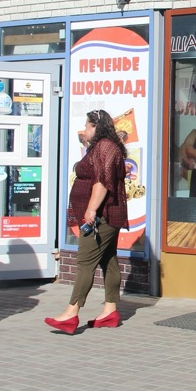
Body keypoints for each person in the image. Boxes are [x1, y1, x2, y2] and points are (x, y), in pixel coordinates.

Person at [44, 109, 128, 334]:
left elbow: (102, 182)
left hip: (103, 214)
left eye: (88, 125)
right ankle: (110, 311)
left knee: (85, 262)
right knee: (108, 260)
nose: (85, 129)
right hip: (105, 213)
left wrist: (91, 211)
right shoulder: (102, 146)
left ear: (97, 127)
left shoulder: (105, 146)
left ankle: (71, 313)